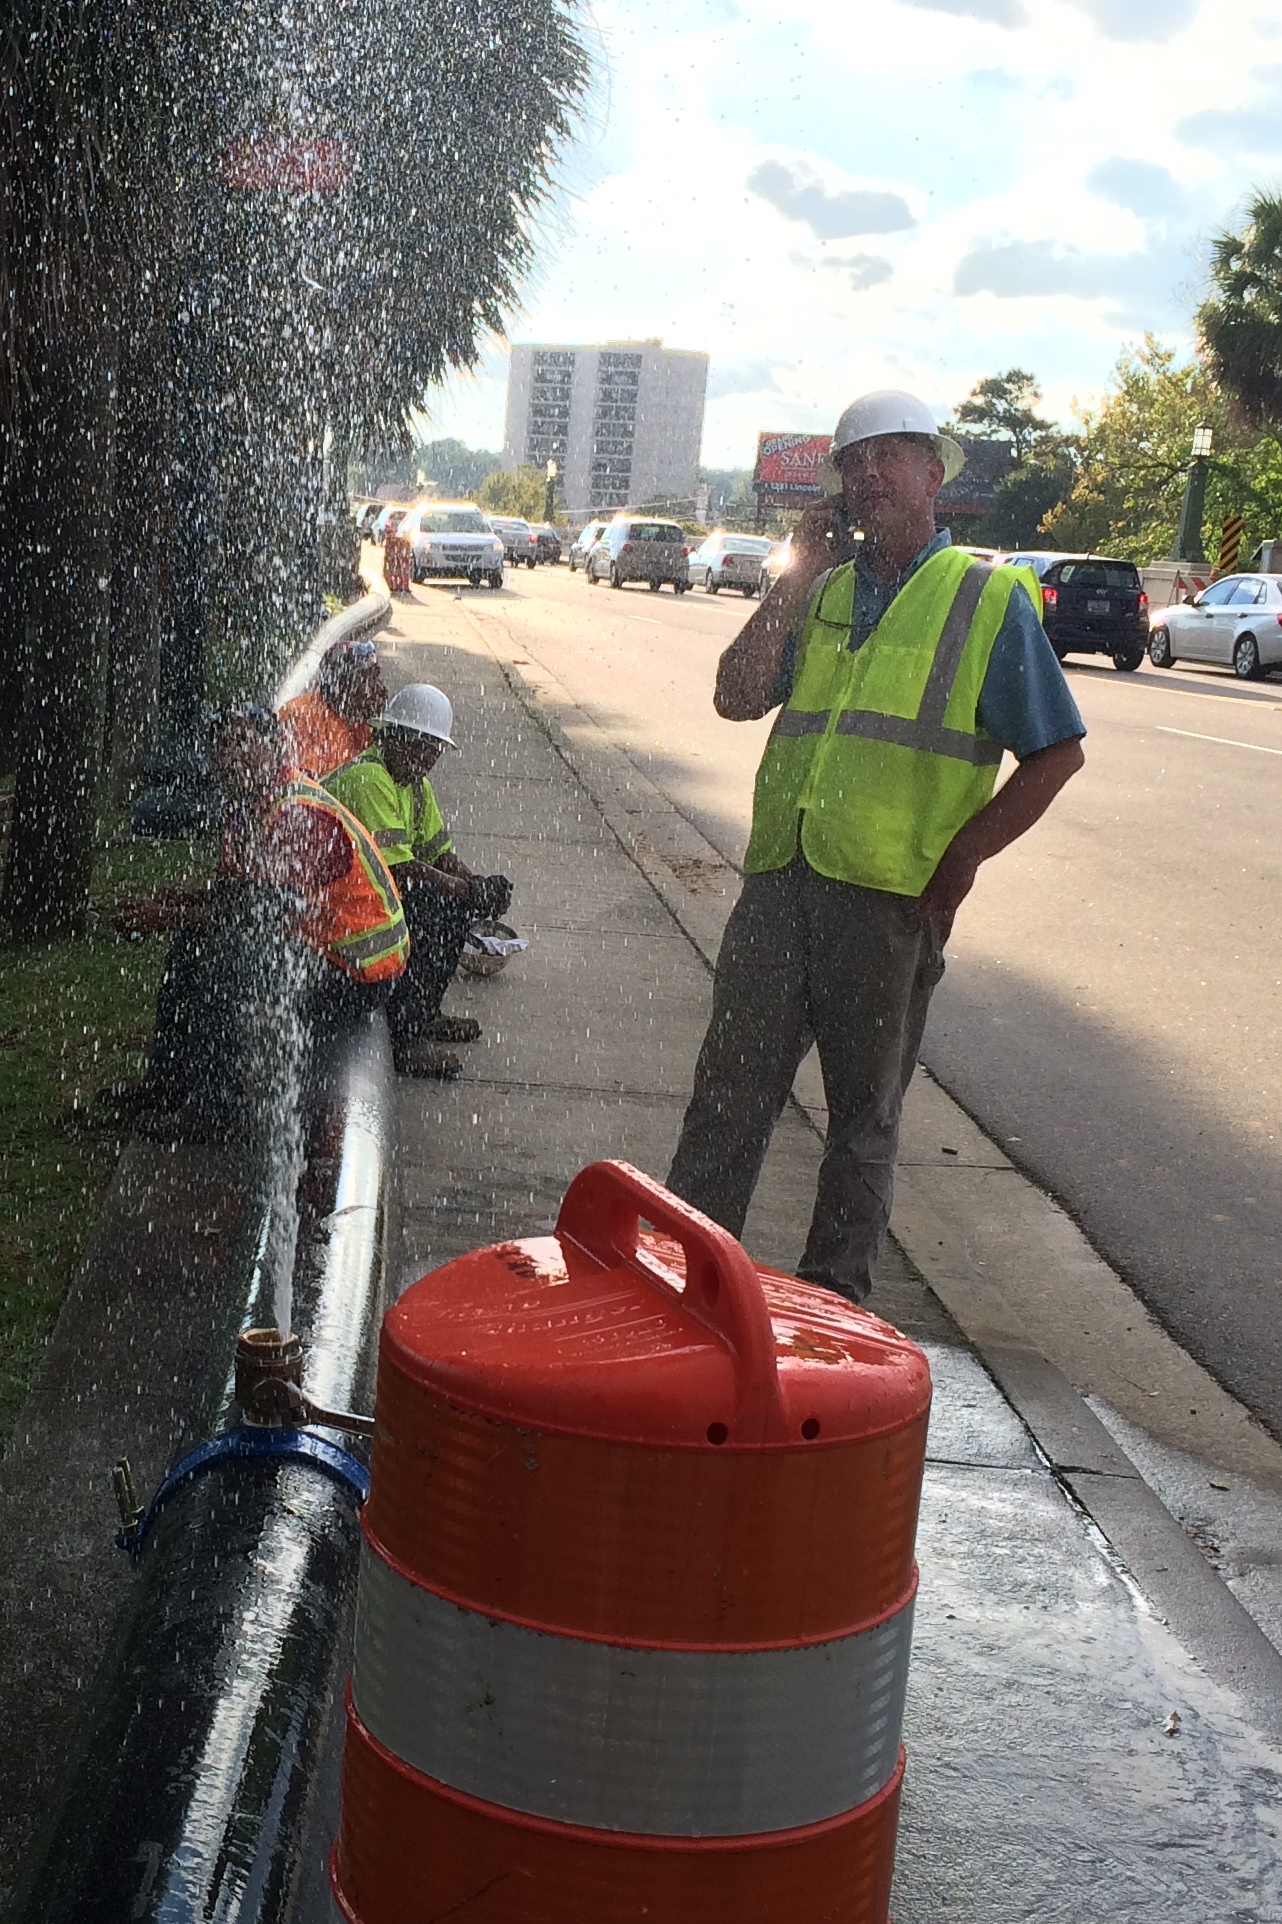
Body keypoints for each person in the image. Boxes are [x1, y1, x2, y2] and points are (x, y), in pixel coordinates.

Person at [666, 390, 1086, 1305]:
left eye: (890, 456)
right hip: (782, 884)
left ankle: (832, 1315)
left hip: (889, 902)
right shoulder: (822, 593)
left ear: (933, 475)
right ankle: (682, 1297)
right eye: (854, 462)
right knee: (727, 1102)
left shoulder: (982, 599)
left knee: (862, 1126)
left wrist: (965, 858)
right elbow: (737, 698)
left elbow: (1058, 752)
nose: (869, 475)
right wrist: (793, 574)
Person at [112, 706, 408, 1137]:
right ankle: (169, 1088)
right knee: (193, 945)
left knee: (232, 958)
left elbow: (257, 917)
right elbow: (238, 893)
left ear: (274, 748)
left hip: (358, 969)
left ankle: (217, 1112)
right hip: (321, 947)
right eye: (222, 745)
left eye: (243, 741)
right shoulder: (247, 806)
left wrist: (164, 915)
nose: (231, 755)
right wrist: (173, 902)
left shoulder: (297, 813)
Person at [325, 683, 513, 1079]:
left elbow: (438, 853)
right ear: (391, 735)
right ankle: (402, 1041)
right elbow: (399, 870)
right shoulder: (370, 779)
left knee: (450, 904)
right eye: (416, 745)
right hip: (335, 908)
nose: (425, 758)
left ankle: (423, 1015)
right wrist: (466, 891)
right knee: (432, 907)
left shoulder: (416, 786)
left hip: (368, 899)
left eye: (433, 750)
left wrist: (477, 885)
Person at [279, 635, 387, 778]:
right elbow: (303, 786)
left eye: (376, 676)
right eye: (368, 678)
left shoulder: (358, 721)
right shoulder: (302, 715)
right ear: (344, 682)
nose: (378, 686)